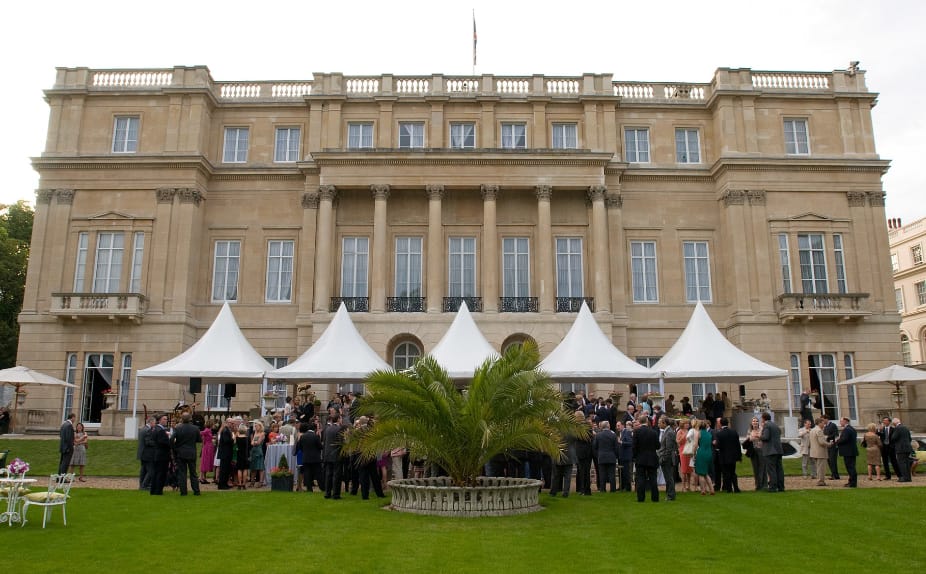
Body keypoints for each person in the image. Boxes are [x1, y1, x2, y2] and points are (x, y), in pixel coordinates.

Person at [171, 412, 202, 496]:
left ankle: (183, 491)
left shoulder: (178, 428)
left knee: (182, 473)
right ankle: (196, 491)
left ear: (182, 419)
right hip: (191, 452)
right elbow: (199, 440)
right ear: (190, 419)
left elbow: (171, 439)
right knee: (193, 473)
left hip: (180, 452)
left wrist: (175, 448)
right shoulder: (195, 428)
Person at [714, 417, 741, 493]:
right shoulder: (734, 432)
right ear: (728, 423)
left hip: (724, 456)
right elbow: (738, 445)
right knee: (733, 472)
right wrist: (739, 456)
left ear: (721, 424)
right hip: (733, 456)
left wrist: (716, 444)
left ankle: (729, 489)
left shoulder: (719, 434)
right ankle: (736, 488)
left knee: (726, 473)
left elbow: (718, 446)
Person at [323, 413, 346, 499]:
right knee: (337, 475)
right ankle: (336, 494)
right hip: (336, 455)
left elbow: (325, 441)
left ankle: (327, 493)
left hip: (328, 454)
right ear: (338, 419)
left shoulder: (328, 429)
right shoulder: (339, 429)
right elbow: (341, 443)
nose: (342, 420)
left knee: (329, 475)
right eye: (341, 418)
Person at [759, 412, 784, 492]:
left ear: (763, 418)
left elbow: (766, 437)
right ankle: (781, 487)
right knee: (779, 469)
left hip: (770, 451)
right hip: (778, 450)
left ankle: (773, 487)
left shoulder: (766, 425)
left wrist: (759, 436)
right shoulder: (775, 425)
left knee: (771, 470)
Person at [295, 422, 323, 492]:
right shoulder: (315, 436)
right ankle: (322, 487)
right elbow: (320, 447)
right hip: (315, 458)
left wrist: (305, 452)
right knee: (318, 473)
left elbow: (300, 447)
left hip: (306, 457)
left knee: (307, 474)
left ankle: (309, 488)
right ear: (315, 429)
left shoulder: (303, 436)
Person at [592, 420, 619, 493]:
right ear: (608, 426)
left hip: (602, 456)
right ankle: (613, 489)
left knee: (602, 474)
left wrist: (598, 454)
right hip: (611, 456)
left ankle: (602, 489)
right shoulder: (613, 435)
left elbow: (594, 446)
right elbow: (616, 447)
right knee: (612, 474)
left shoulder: (598, 435)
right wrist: (616, 455)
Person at [149, 414, 172, 495]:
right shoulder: (160, 430)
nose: (166, 420)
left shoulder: (156, 429)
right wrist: (171, 441)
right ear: (159, 420)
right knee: (161, 473)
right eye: (164, 419)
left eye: (166, 419)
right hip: (162, 455)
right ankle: (158, 490)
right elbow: (164, 443)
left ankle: (153, 490)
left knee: (156, 473)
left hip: (157, 454)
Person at [655, 416, 677, 501]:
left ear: (664, 423)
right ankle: (669, 494)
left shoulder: (669, 432)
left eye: (659, 423)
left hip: (667, 459)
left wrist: (663, 459)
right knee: (668, 478)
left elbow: (669, 448)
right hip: (666, 458)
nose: (658, 424)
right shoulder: (667, 431)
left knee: (669, 478)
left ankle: (671, 495)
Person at [692, 419, 715, 495]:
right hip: (709, 452)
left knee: (701, 473)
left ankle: (703, 490)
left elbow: (695, 445)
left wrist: (693, 454)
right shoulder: (709, 434)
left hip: (701, 452)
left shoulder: (698, 433)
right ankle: (711, 489)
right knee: (706, 473)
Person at [574, 411, 594, 496]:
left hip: (583, 452)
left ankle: (584, 490)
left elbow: (584, 438)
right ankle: (584, 489)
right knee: (584, 471)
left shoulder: (582, 426)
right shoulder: (586, 426)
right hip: (585, 451)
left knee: (583, 471)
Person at [743, 417, 765, 491]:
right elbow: (748, 439)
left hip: (761, 450)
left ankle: (763, 485)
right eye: (753, 421)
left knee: (762, 468)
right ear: (751, 423)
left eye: (756, 421)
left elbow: (763, 438)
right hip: (753, 451)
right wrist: (752, 437)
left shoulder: (761, 429)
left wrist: (757, 436)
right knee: (755, 468)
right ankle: (757, 485)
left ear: (758, 422)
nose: (755, 422)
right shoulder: (749, 430)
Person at [891, 417, 913, 482]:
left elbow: (893, 438)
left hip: (900, 448)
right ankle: (908, 478)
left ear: (894, 423)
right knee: (907, 463)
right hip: (908, 447)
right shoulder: (906, 427)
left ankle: (904, 478)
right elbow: (910, 438)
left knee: (901, 463)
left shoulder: (897, 428)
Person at [809, 417, 830, 486]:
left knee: (818, 467)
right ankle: (820, 481)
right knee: (821, 468)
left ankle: (819, 480)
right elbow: (822, 442)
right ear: (819, 423)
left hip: (814, 451)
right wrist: (829, 444)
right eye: (823, 423)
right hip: (820, 452)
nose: (824, 424)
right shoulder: (819, 430)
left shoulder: (812, 430)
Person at [138, 416, 156, 490]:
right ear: (151, 422)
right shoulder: (148, 430)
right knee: (151, 471)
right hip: (147, 454)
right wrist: (157, 443)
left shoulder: (142, 429)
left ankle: (141, 485)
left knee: (143, 470)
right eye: (154, 423)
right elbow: (148, 442)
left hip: (142, 453)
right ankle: (144, 485)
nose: (155, 424)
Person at [216, 419, 235, 490]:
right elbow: (226, 440)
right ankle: (221, 485)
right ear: (228, 423)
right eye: (232, 423)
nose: (233, 425)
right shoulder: (225, 430)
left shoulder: (227, 430)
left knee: (226, 469)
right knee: (223, 470)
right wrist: (233, 439)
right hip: (225, 453)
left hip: (227, 453)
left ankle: (225, 483)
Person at [677, 418, 694, 492]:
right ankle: (683, 486)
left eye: (688, 423)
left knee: (689, 469)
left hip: (689, 450)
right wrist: (684, 436)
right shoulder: (679, 431)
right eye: (686, 423)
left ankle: (688, 486)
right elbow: (678, 442)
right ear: (682, 424)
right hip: (683, 450)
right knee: (684, 469)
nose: (687, 425)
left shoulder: (689, 431)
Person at [617, 421, 634, 492]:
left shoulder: (627, 432)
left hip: (626, 456)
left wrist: (621, 442)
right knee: (622, 472)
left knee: (626, 472)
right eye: (617, 426)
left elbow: (630, 443)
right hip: (621, 456)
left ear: (622, 425)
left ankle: (628, 488)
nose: (617, 427)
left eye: (618, 426)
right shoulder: (621, 433)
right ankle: (622, 486)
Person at [822, 414, 840, 480]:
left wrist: (828, 437)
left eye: (823, 420)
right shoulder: (825, 426)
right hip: (828, 445)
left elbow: (836, 434)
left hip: (833, 445)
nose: (822, 421)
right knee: (829, 460)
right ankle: (833, 474)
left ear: (826, 419)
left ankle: (835, 475)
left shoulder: (833, 425)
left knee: (833, 460)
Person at [249, 421, 266, 487]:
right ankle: (252, 482)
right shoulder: (255, 433)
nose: (255, 427)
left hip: (259, 451)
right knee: (253, 467)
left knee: (260, 467)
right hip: (253, 450)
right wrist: (254, 442)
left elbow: (258, 442)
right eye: (255, 426)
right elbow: (252, 443)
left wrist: (254, 442)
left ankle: (260, 482)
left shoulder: (262, 433)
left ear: (260, 426)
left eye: (257, 426)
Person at [235, 421, 250, 489]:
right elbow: (249, 446)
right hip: (245, 454)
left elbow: (235, 444)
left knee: (239, 469)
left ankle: (239, 483)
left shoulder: (237, 438)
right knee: (245, 469)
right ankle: (244, 483)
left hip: (239, 454)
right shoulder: (247, 438)